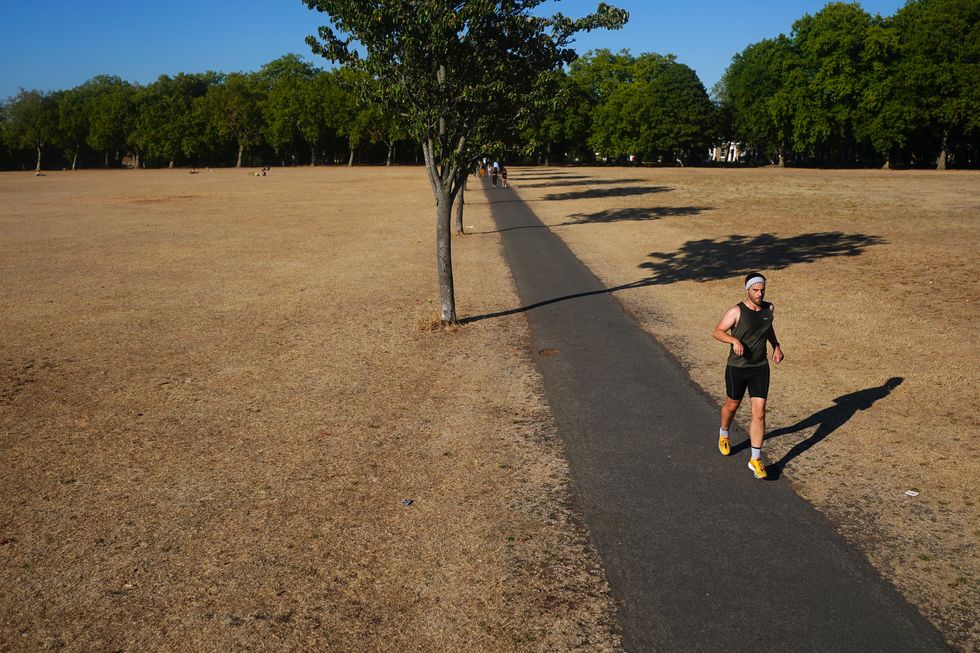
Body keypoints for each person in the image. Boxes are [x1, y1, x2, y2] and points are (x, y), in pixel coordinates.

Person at [712, 272, 784, 479]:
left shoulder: (768, 309)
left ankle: (755, 459)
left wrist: (776, 347)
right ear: (747, 290)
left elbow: (767, 329)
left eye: (762, 290)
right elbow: (717, 331)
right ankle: (724, 433)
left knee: (759, 412)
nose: (760, 294)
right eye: (755, 290)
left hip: (760, 367)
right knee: (732, 405)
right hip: (737, 367)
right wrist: (734, 341)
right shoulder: (737, 311)